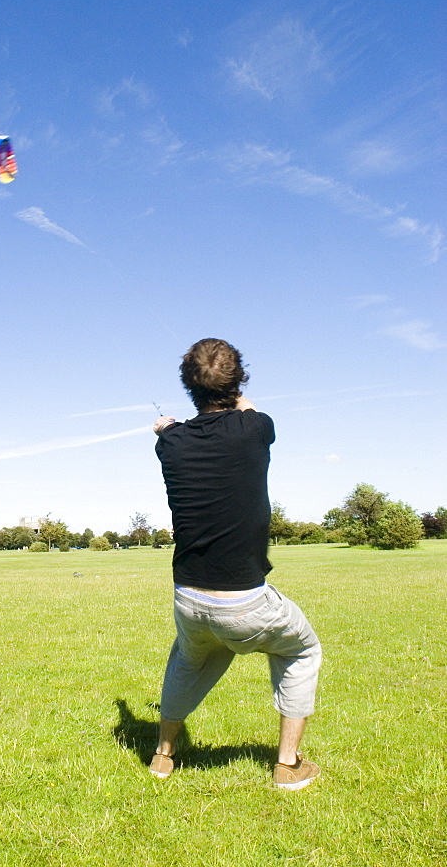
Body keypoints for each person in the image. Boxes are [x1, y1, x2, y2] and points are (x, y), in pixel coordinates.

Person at [151, 338, 322, 790]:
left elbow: (179, 430)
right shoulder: (255, 428)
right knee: (301, 650)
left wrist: (168, 426)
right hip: (245, 601)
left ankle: (164, 755)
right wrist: (228, 388)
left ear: (189, 387)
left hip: (187, 598)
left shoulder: (169, 443)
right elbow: (243, 407)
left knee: (188, 661)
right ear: (238, 380)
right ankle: (288, 765)